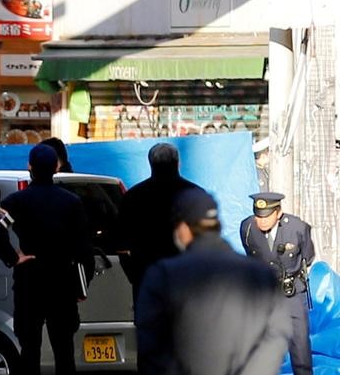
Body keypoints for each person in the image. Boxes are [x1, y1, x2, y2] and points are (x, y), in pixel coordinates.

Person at [136, 188, 292, 375]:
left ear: (183, 228)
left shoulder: (162, 275)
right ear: (216, 224)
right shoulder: (261, 275)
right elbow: (278, 333)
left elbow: (150, 346)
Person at [0, 144, 95, 375]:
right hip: (62, 283)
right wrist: (81, 286)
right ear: (56, 167)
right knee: (64, 352)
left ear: (30, 167)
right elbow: (85, 249)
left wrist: (14, 258)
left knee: (29, 351)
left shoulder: (17, 202)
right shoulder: (71, 203)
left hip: (30, 282)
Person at [117, 142, 202, 305]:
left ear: (150, 163)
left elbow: (122, 246)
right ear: (178, 163)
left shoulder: (133, 197)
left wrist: (135, 276)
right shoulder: (196, 194)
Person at [240, 192, 315, 375]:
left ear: (278, 213)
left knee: (300, 345)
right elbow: (250, 252)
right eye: (258, 215)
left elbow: (308, 255)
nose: (262, 221)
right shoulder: (248, 227)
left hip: (291, 293)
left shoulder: (297, 228)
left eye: (267, 216)